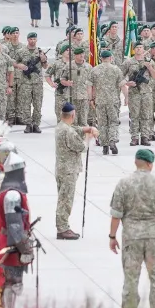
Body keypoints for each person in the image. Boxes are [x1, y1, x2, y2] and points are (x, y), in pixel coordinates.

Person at [107, 146, 155, 308]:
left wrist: (112, 237)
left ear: (136, 162)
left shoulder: (124, 184)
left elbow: (116, 215)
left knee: (131, 279)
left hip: (132, 237)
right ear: (150, 164)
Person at [52, 102, 97, 240]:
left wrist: (86, 129)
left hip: (62, 168)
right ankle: (62, 228)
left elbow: (74, 129)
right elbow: (82, 147)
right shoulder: (69, 132)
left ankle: (63, 226)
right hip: (69, 170)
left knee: (63, 197)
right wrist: (89, 137)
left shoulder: (60, 126)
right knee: (66, 200)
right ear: (73, 115)